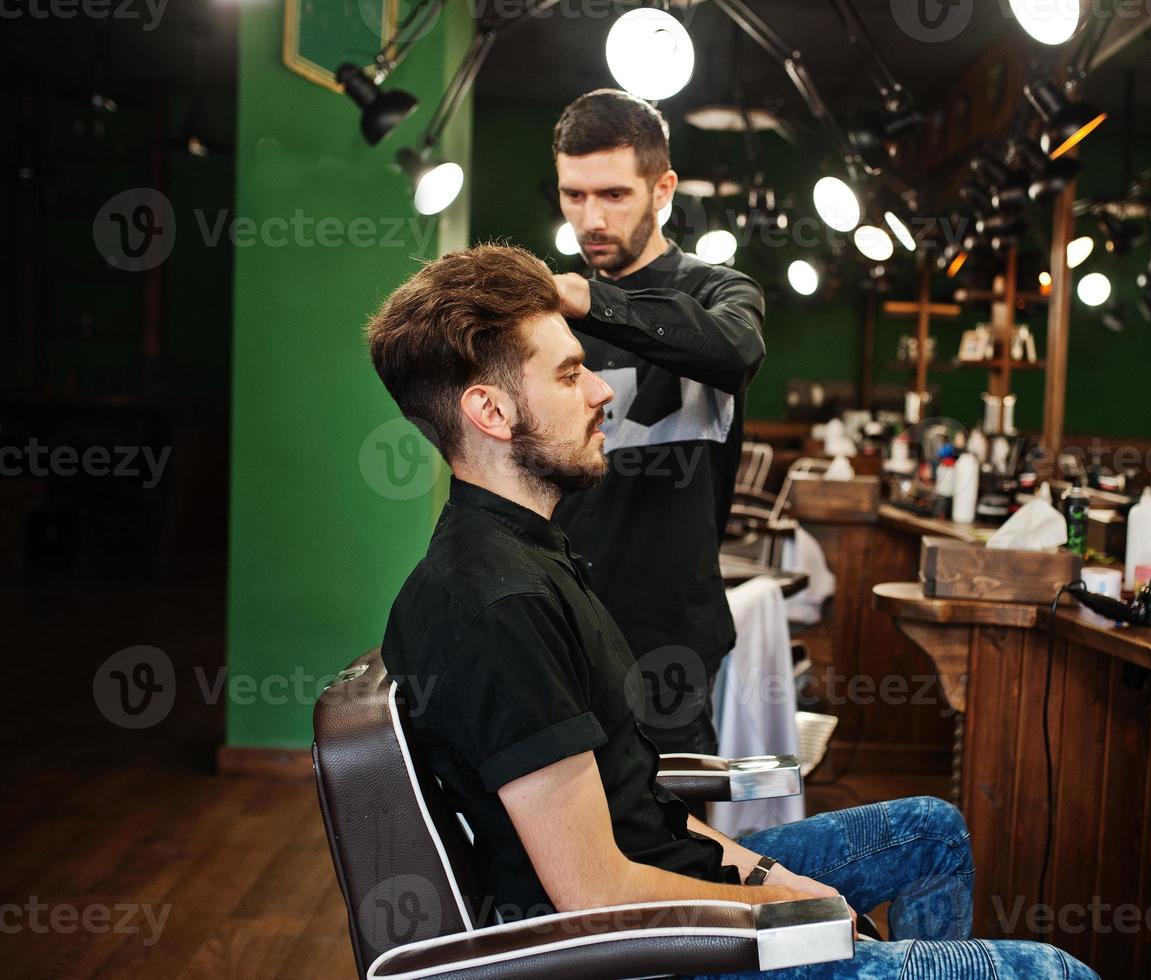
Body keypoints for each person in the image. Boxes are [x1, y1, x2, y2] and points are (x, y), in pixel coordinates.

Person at [367, 243, 1098, 979]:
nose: (600, 392)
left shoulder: (530, 552)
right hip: (651, 950)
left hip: (674, 876)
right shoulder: (499, 605)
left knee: (932, 833)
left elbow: (637, 802)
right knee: (1057, 972)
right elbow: (593, 893)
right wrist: (783, 913)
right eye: (567, 373)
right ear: (489, 410)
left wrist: (759, 873)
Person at [547, 89, 766, 755]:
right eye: (573, 195)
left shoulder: (719, 292)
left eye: (613, 194)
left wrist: (592, 300)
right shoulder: (545, 311)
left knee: (673, 842)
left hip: (668, 635)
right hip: (558, 622)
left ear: (661, 188)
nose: (590, 218)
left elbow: (733, 349)